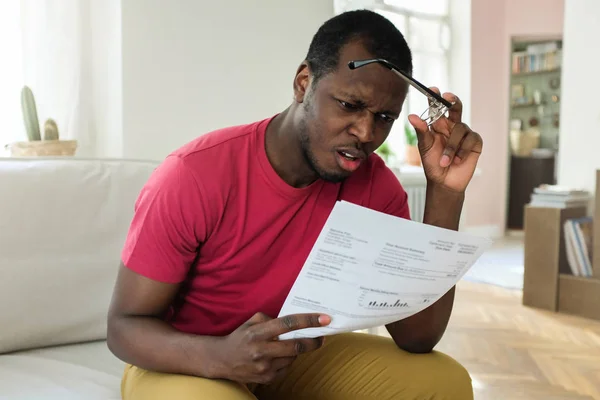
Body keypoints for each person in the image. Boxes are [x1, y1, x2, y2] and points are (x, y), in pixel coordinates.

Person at [107, 9, 482, 400]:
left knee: (443, 382)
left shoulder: (376, 187)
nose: (365, 133)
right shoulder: (194, 175)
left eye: (384, 117)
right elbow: (124, 327)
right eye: (350, 105)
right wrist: (220, 356)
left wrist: (445, 193)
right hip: (189, 361)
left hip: (295, 356)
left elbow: (417, 336)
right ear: (304, 83)